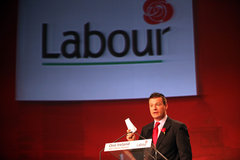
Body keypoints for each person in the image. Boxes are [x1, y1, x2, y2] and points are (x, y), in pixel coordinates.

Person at [126, 92, 192, 160]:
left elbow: (186, 156)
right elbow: (140, 157)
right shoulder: (145, 130)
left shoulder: (177, 128)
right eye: (151, 105)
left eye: (157, 104)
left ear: (166, 106)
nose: (154, 108)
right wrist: (133, 143)